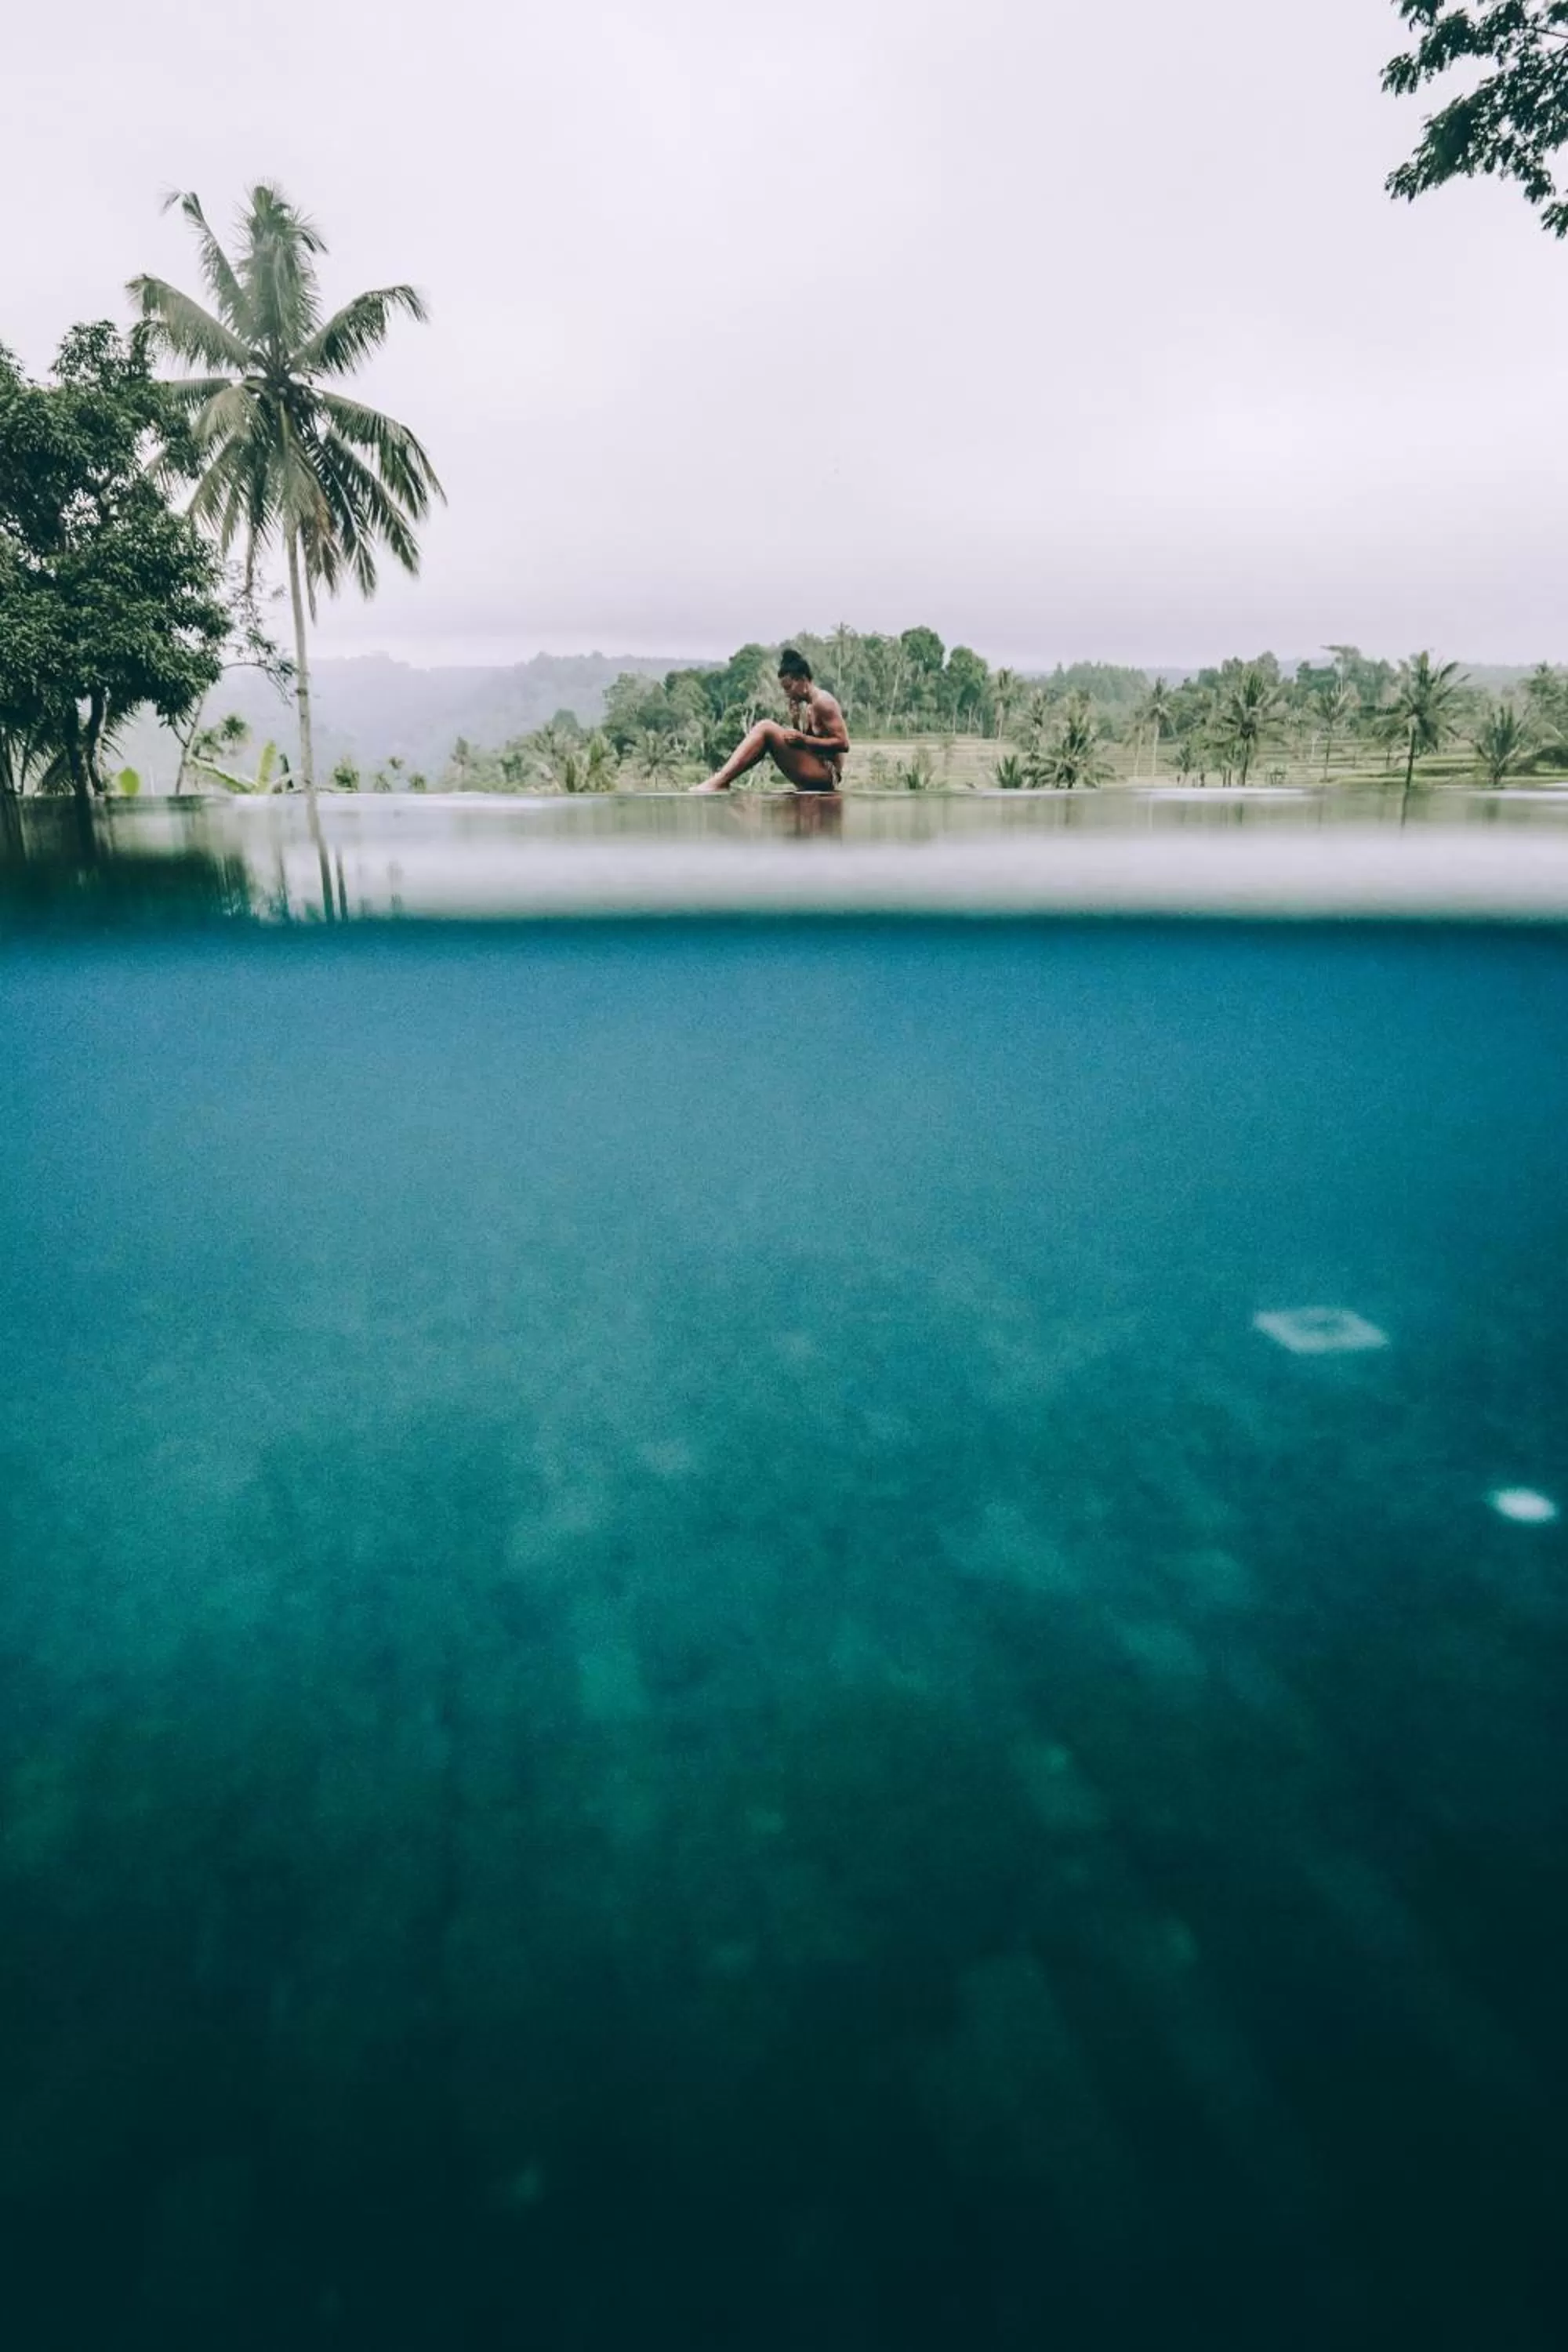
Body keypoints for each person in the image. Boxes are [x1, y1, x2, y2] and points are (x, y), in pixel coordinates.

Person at [691, 650, 849, 793]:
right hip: (815, 768)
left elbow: (843, 744)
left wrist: (804, 739)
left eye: (788, 687)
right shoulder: (808, 707)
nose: (787, 694)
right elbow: (808, 747)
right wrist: (795, 724)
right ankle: (721, 779)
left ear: (802, 680)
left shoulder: (823, 702)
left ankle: (720, 780)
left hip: (828, 774)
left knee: (766, 727)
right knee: (768, 731)